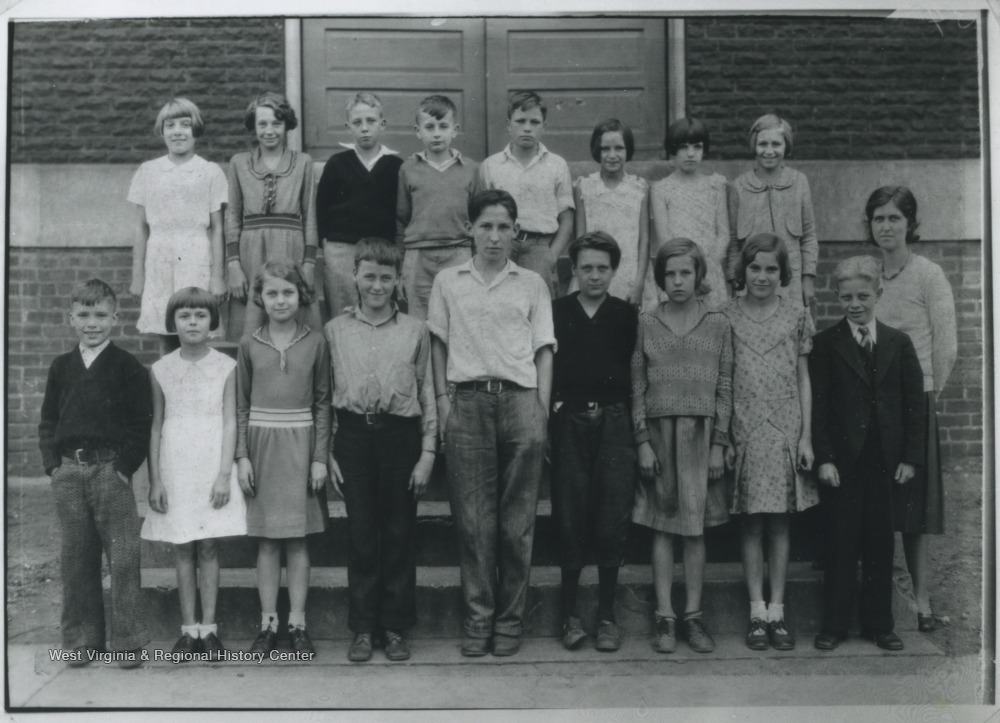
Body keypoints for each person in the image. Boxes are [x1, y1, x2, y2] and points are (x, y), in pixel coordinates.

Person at [427, 189, 555, 657]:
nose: (495, 236)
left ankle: (510, 621)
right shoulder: (448, 281)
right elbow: (438, 345)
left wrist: (539, 408)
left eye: (504, 227)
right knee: (474, 522)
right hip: (468, 403)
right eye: (486, 226)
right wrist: (443, 403)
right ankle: (478, 620)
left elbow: (544, 349)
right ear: (470, 230)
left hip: (520, 402)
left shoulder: (532, 283)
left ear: (516, 232)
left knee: (516, 524)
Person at [325, 238, 437, 663]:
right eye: (369, 276)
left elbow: (427, 390)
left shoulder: (415, 330)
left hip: (400, 437)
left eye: (386, 278)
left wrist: (427, 453)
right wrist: (329, 451)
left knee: (398, 531)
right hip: (353, 436)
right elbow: (325, 397)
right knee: (361, 535)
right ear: (354, 275)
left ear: (398, 281)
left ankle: (393, 627)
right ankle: (363, 626)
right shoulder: (336, 330)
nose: (377, 285)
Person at [810, 256, 925, 652]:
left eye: (862, 296)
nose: (854, 304)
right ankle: (835, 624)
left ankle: (880, 624)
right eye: (846, 297)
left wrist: (911, 457)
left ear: (878, 293)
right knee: (840, 541)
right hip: (843, 462)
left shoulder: (898, 341)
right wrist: (824, 457)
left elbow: (914, 405)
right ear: (836, 297)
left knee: (880, 541)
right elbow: (819, 406)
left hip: (886, 461)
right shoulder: (826, 344)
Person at [38, 278, 152, 668]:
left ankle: (128, 642)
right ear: (71, 318)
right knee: (76, 558)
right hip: (69, 471)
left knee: (123, 558)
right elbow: (48, 421)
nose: (92, 323)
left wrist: (124, 468)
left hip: (110, 471)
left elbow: (141, 423)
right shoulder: (61, 367)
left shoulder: (126, 366)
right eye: (83, 315)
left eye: (100, 315)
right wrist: (53, 465)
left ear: (115, 318)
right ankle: (82, 640)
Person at [632, 239, 733, 655]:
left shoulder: (718, 323)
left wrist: (718, 444)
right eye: (670, 274)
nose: (678, 281)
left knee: (694, 530)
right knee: (662, 525)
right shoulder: (647, 322)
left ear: (699, 276)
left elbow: (726, 385)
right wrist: (641, 441)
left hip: (700, 435)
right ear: (660, 278)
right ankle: (664, 616)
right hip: (658, 435)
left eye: (685, 273)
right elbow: (636, 385)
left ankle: (692, 615)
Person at [865, 185, 957, 632]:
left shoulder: (928, 274)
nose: (886, 226)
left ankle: (922, 601)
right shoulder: (867, 274)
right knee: (877, 504)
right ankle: (881, 596)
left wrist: (925, 395)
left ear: (910, 224)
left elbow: (947, 346)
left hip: (913, 401)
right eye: (878, 218)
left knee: (914, 512)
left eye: (894, 219)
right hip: (871, 403)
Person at [722, 233, 817, 651]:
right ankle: (756, 611)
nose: (762, 276)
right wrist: (723, 436)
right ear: (743, 271)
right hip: (744, 424)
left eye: (771, 269)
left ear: (783, 273)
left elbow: (803, 378)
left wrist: (806, 436)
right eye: (755, 268)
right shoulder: (725, 315)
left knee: (779, 521)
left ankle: (778, 611)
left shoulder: (797, 314)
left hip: (784, 425)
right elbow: (721, 381)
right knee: (751, 521)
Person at [141, 287, 247, 659]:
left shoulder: (226, 366)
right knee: (182, 546)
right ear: (173, 322)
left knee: (209, 545)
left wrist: (224, 474)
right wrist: (155, 479)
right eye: (184, 316)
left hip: (210, 461)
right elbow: (156, 424)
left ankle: (211, 628)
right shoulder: (160, 369)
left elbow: (231, 421)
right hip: (175, 463)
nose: (192, 322)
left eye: (200, 315)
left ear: (212, 322)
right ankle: (189, 630)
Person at [236, 261, 331, 656]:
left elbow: (324, 402)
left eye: (288, 292)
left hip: (302, 444)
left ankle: (297, 623)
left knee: (297, 539)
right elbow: (241, 406)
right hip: (261, 445)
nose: (280, 300)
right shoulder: (248, 344)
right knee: (267, 541)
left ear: (301, 295)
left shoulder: (316, 342)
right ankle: (268, 623)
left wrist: (319, 457)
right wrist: (242, 455)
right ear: (260, 297)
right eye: (272, 293)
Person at [550, 231, 637, 652]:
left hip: (616, 421)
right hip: (569, 420)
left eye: (603, 268)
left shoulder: (627, 314)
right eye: (586, 267)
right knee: (570, 514)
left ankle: (605, 614)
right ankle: (568, 614)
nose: (595, 275)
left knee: (612, 514)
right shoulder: (556, 311)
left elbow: (638, 374)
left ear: (614, 270)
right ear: (575, 270)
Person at [128, 97, 228, 354]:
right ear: (162, 131)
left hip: (195, 254)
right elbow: (141, 227)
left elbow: (217, 227)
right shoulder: (148, 171)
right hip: (159, 257)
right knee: (165, 330)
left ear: (196, 130)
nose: (178, 132)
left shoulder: (210, 171)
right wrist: (137, 274)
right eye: (170, 125)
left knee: (196, 329)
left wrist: (217, 276)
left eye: (185, 124)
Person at [225, 91, 321, 339]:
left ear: (286, 125)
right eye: (262, 124)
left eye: (276, 124)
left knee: (292, 311)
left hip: (291, 248)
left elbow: (310, 216)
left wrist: (309, 264)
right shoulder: (239, 163)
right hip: (250, 252)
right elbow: (233, 216)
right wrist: (233, 264)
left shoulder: (302, 163)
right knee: (251, 320)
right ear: (253, 126)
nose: (269, 130)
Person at [316, 92, 403, 319]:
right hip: (341, 251)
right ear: (348, 127)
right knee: (342, 311)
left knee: (377, 308)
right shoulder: (337, 163)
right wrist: (325, 243)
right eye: (357, 122)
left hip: (380, 250)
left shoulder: (395, 165)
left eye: (371, 121)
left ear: (382, 124)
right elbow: (322, 206)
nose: (364, 128)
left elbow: (401, 209)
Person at [479, 91, 574, 296]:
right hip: (501, 245)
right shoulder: (492, 165)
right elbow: (481, 216)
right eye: (520, 121)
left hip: (540, 247)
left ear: (544, 126)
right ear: (508, 124)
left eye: (534, 122)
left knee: (539, 306)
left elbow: (566, 218)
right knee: (499, 301)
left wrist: (552, 255)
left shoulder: (556, 165)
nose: (527, 128)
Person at [395, 95, 480, 320]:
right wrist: (402, 267)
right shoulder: (408, 169)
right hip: (418, 255)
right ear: (418, 131)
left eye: (443, 126)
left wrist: (477, 260)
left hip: (459, 252)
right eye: (429, 127)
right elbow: (401, 219)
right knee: (420, 322)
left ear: (455, 130)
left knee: (459, 319)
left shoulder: (470, 169)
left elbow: (479, 218)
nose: (436, 133)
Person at [729, 114, 818, 310]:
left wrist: (808, 279)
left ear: (786, 146)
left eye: (776, 144)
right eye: (763, 144)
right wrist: (734, 282)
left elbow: (809, 236)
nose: (769, 151)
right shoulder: (739, 187)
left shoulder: (799, 182)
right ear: (754, 146)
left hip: (791, 282)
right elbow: (735, 244)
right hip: (752, 283)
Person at [650, 117, 732, 309]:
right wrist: (685, 271)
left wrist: (704, 272)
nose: (690, 154)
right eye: (683, 147)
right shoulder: (662, 189)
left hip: (709, 273)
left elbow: (723, 234)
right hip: (677, 273)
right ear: (672, 150)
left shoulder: (715, 185)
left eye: (697, 147)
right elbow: (665, 240)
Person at [572, 118, 652, 309]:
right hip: (595, 273)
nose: (612, 155)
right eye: (605, 149)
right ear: (597, 151)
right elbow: (580, 239)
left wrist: (639, 283)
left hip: (630, 274)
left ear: (628, 150)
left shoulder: (639, 187)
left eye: (619, 148)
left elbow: (644, 240)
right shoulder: (584, 187)